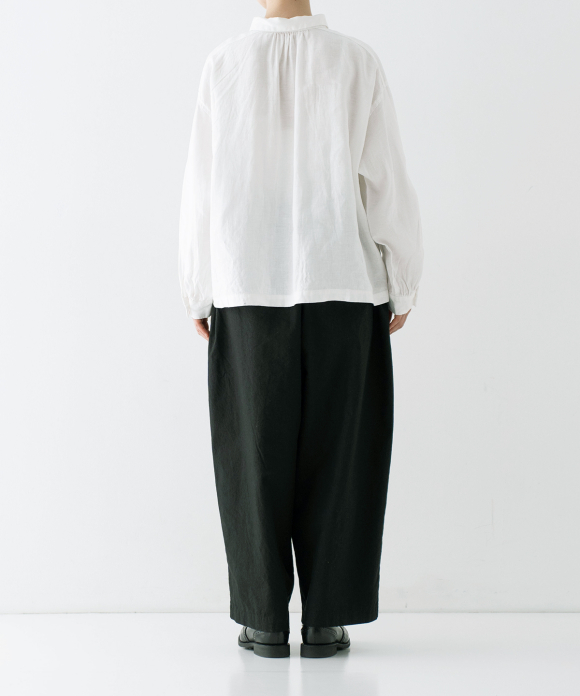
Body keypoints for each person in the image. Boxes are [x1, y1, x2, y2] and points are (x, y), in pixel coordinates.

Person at [178, 0, 423, 659]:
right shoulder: (355, 61)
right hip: (342, 284)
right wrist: (402, 277)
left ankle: (263, 619)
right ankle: (325, 620)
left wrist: (198, 286)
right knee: (341, 458)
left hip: (248, 289)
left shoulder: (224, 65)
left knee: (252, 459)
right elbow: (387, 181)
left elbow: (202, 189)